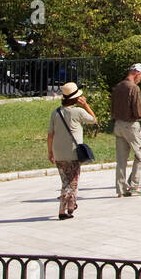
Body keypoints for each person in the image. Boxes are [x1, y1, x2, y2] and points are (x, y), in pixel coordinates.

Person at [47, 82, 98, 220]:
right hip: (72, 153)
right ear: (75, 98)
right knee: (71, 182)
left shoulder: (56, 113)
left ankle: (71, 207)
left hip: (58, 152)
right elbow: (94, 119)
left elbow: (50, 134)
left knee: (66, 180)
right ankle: (62, 210)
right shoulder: (78, 111)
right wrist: (86, 105)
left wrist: (50, 152)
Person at [111, 63, 141, 196]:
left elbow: (112, 108)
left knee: (121, 159)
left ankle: (121, 189)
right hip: (131, 126)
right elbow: (138, 112)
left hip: (118, 125)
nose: (140, 79)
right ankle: (134, 185)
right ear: (137, 73)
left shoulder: (118, 87)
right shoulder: (134, 88)